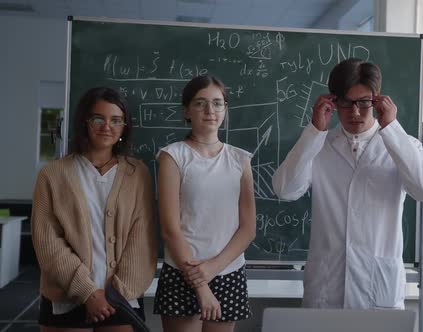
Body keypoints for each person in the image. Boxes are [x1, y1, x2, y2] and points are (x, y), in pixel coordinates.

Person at [272, 58, 423, 309]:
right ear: (332, 101)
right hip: (327, 289)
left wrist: (392, 128)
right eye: (346, 103)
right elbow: (285, 190)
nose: (355, 112)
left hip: (377, 288)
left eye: (364, 103)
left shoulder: (402, 144)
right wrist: (314, 132)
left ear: (377, 100)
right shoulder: (319, 145)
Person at [31, 87, 158, 331]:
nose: (107, 126)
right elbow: (48, 241)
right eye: (98, 118)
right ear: (85, 123)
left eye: (116, 120)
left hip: (120, 299)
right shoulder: (53, 174)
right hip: (65, 296)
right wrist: (88, 293)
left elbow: (142, 239)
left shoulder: (138, 174)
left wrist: (113, 296)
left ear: (124, 127)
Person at [154, 75, 256, 332]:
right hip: (183, 272)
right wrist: (200, 283)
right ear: (186, 111)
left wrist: (213, 268)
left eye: (217, 103)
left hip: (228, 271)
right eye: (200, 103)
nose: (210, 110)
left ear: (225, 109)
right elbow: (170, 229)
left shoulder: (240, 160)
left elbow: (248, 228)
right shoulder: (173, 156)